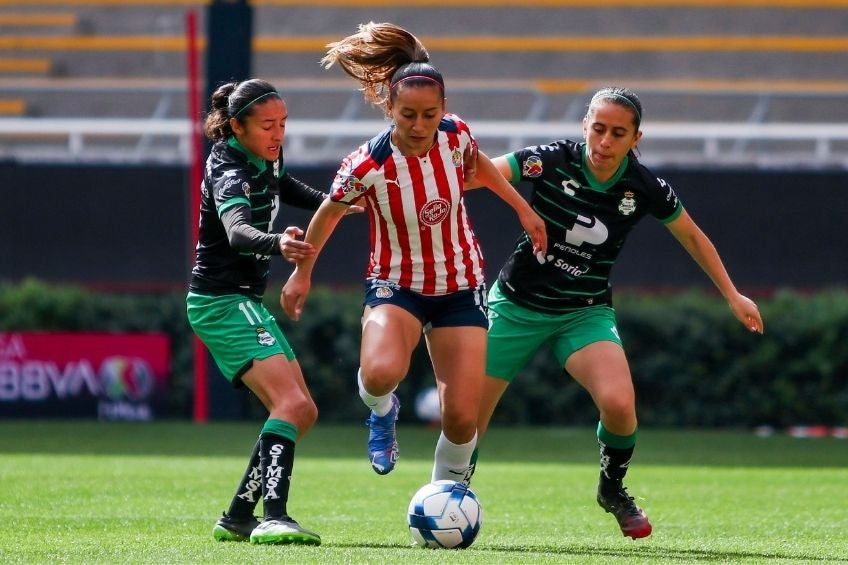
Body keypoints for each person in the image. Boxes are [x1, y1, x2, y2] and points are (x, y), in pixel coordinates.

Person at [470, 86, 765, 539]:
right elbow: (489, 171)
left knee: (620, 405)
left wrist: (732, 293)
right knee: (467, 419)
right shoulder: (551, 160)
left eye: (618, 133)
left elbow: (692, 236)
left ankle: (612, 489)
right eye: (599, 128)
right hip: (516, 306)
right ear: (585, 125)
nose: (605, 141)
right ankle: (449, 493)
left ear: (635, 138)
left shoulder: (644, 187)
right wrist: (435, 178)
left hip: (583, 313)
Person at [281, 22, 547, 484]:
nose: (420, 125)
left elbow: (478, 164)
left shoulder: (456, 134)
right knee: (381, 372)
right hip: (396, 286)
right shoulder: (366, 165)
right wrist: (302, 273)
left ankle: (448, 496)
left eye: (429, 114)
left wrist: (523, 208)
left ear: (444, 108)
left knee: (462, 419)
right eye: (408, 115)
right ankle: (382, 410)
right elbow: (326, 213)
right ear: (389, 107)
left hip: (461, 287)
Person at [185, 78, 327, 546]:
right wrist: (280, 244)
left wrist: (341, 202)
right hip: (221, 303)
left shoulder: (265, 157)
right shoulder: (228, 169)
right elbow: (238, 231)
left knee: (301, 412)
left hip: (242, 301)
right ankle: (274, 516)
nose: (277, 134)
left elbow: (284, 184)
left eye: (283, 124)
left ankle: (238, 516)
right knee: (291, 404)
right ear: (236, 127)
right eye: (267, 125)